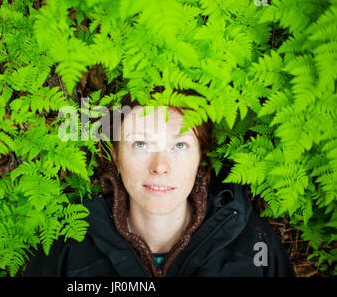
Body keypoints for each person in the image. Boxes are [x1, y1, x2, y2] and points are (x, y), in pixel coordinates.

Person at [24, 91, 295, 277]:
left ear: (201, 156)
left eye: (179, 145)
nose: (160, 166)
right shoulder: (67, 246)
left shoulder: (254, 243)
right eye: (140, 144)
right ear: (115, 155)